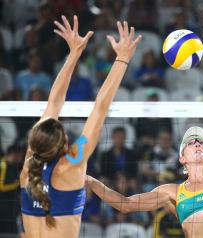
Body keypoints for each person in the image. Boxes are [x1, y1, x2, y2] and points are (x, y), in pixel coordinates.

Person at [86, 60, 203, 238]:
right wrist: (92, 182)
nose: (197, 143)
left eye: (202, 142)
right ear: (182, 158)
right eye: (191, 142)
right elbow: (125, 205)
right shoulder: (173, 192)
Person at [19, 15, 141, 238]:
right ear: (63, 143)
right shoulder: (72, 163)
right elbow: (99, 108)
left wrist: (74, 52)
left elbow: (54, 105)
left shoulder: (29, 167)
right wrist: (122, 58)